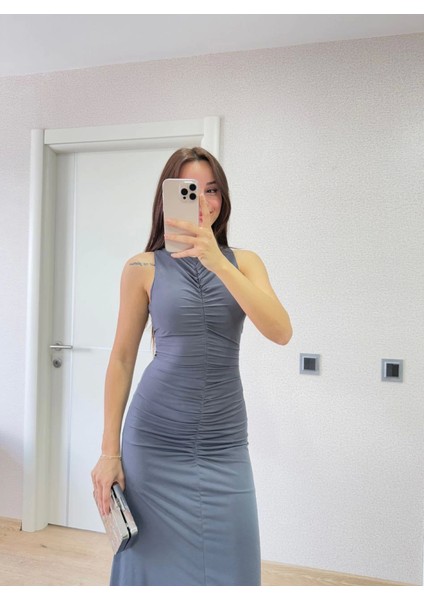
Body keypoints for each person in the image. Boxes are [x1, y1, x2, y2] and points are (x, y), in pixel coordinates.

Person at [91, 147, 292, 586]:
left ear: (224, 198)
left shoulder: (246, 262)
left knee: (235, 568)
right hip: (154, 441)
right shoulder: (142, 267)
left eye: (212, 190)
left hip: (224, 442)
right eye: (190, 190)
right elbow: (122, 358)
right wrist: (109, 453)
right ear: (168, 198)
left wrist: (216, 260)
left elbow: (280, 331)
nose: (203, 201)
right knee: (150, 567)